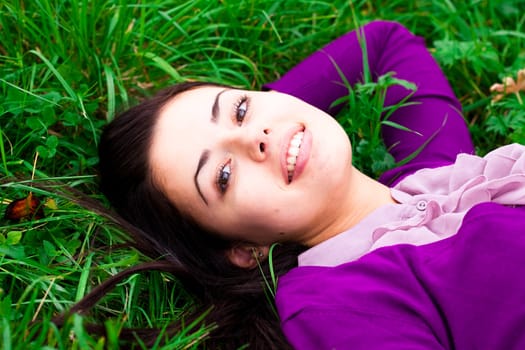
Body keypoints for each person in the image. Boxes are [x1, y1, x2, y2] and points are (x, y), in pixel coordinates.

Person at [91, 20, 525, 349]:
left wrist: (279, 125)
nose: (253, 139)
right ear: (244, 250)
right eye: (223, 175)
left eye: (239, 109)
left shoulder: (437, 170)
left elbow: (383, 42)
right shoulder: (336, 303)